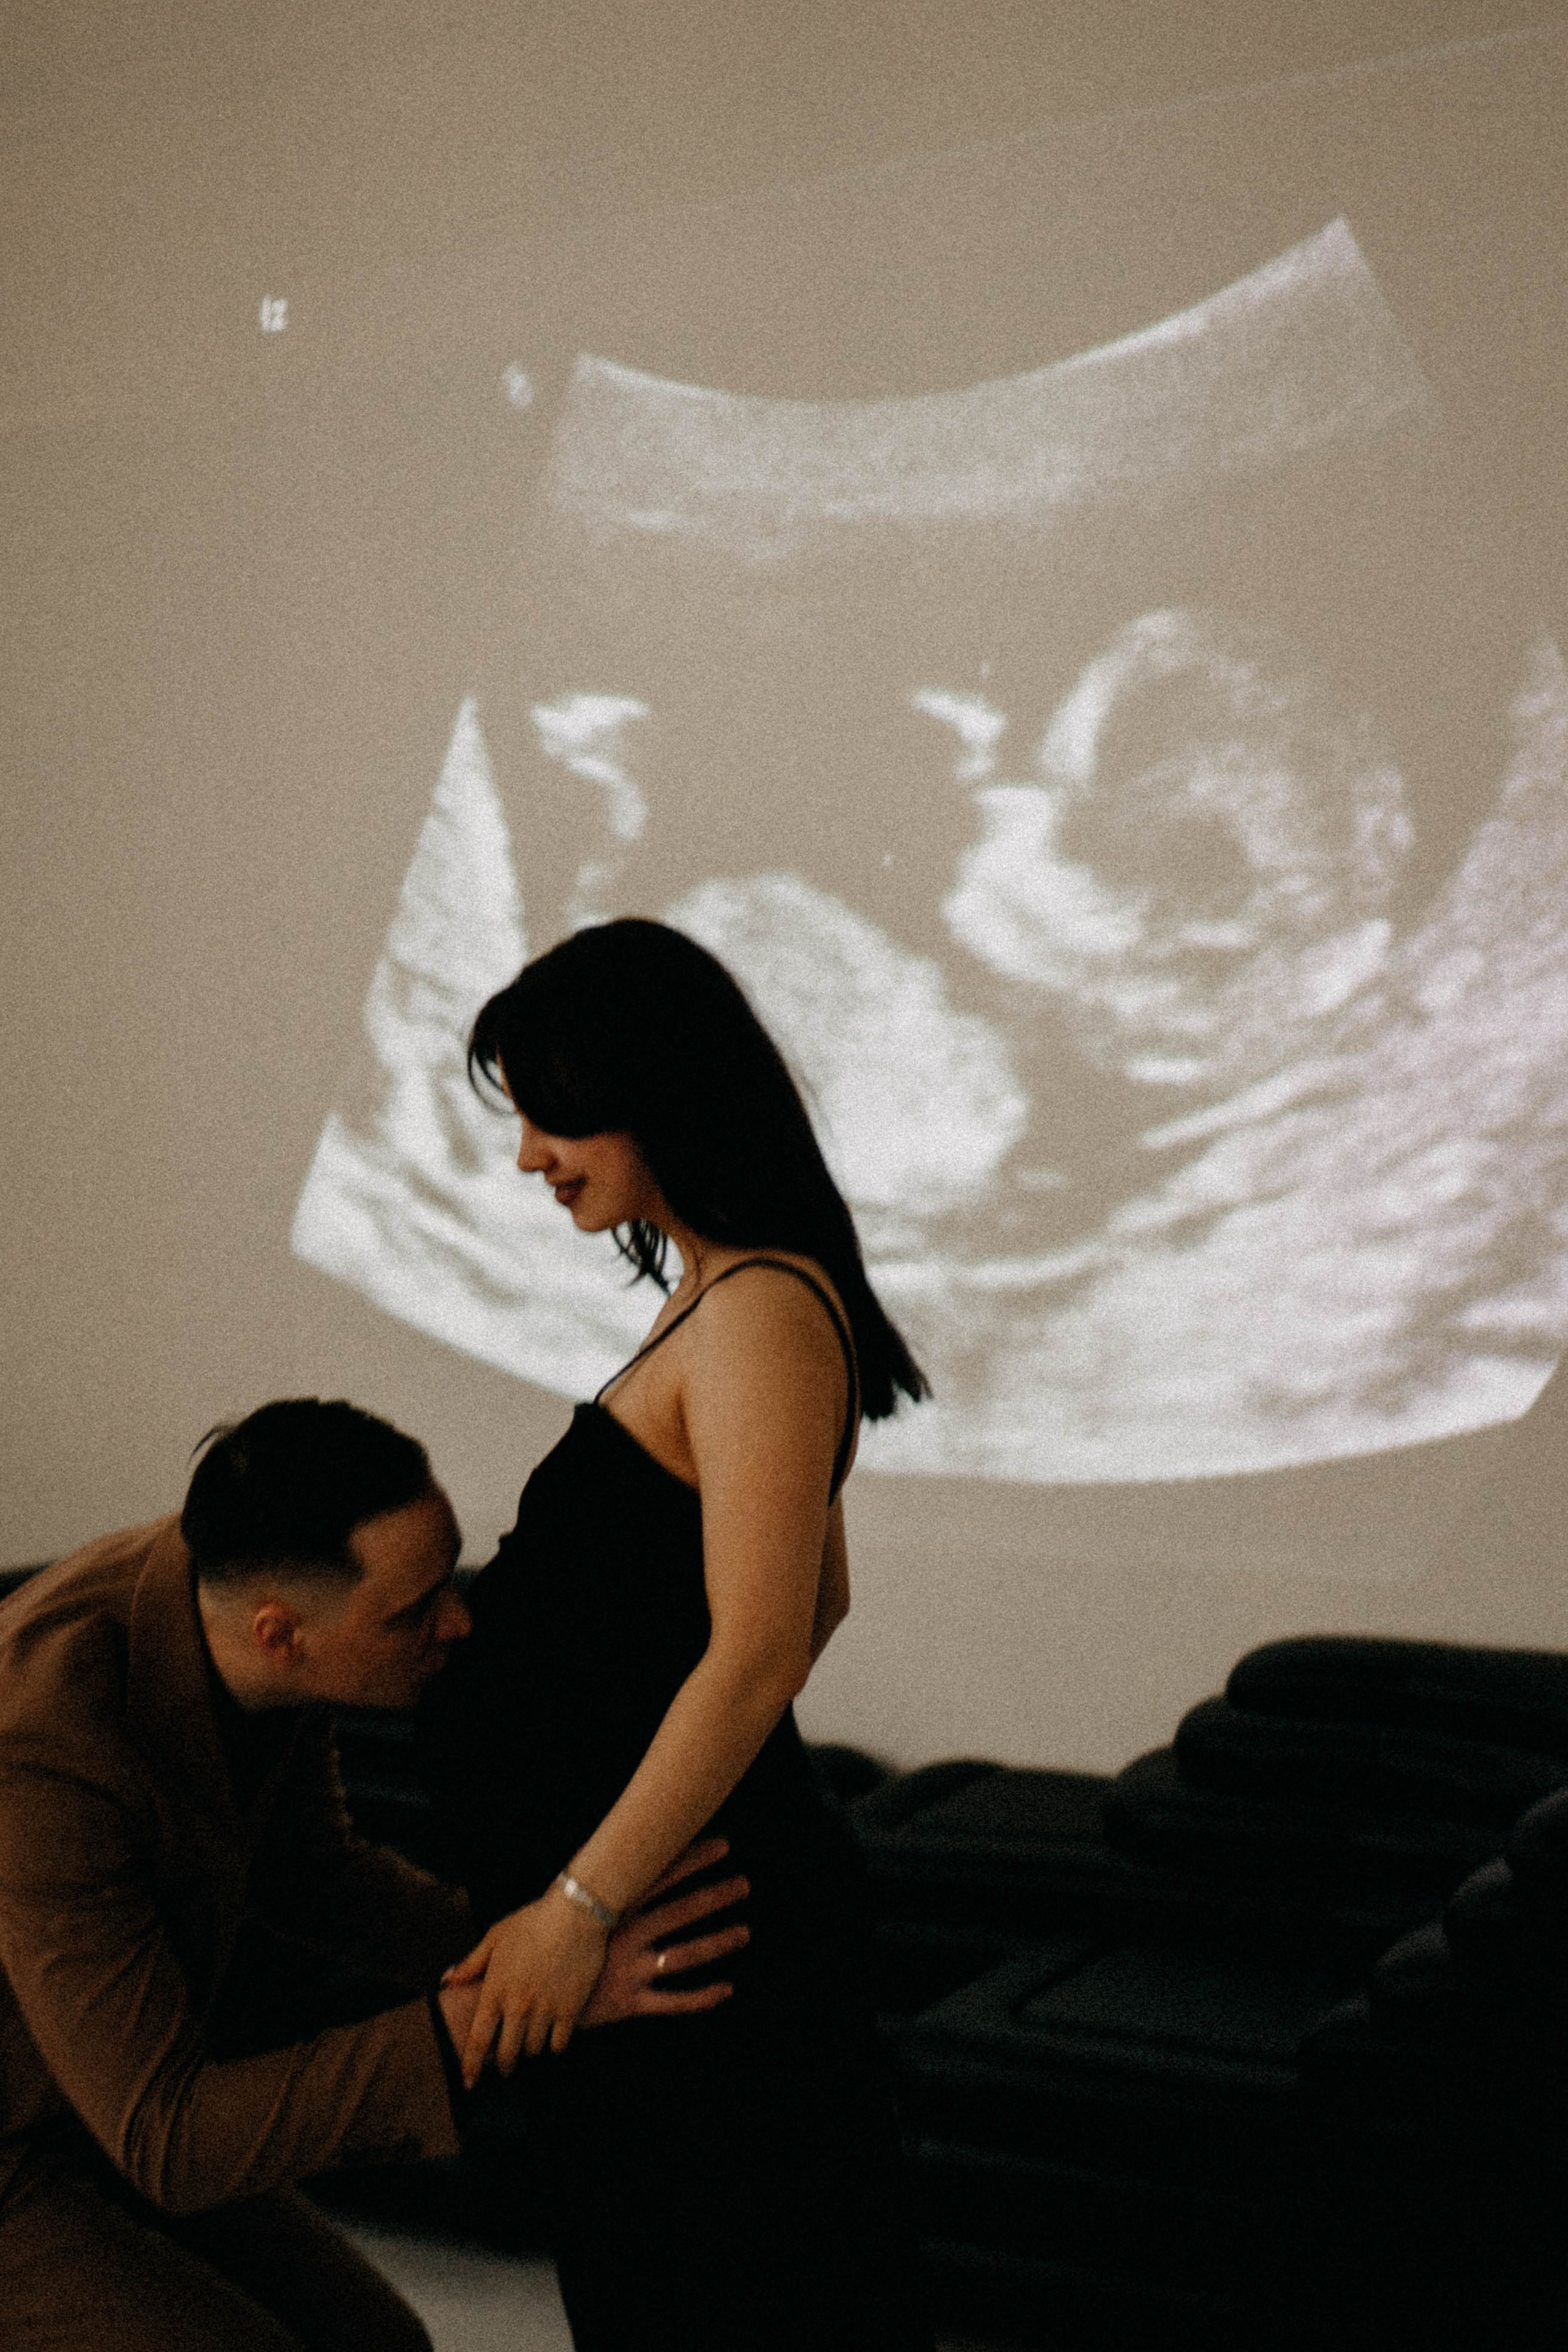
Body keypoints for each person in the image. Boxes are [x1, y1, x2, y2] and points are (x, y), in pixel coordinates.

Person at [418, 916, 937, 2351]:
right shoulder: (724, 1298)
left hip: (691, 1946)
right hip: (675, 1921)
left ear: (653, 1089)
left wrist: (577, 1909)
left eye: (547, 1110)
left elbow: (765, 1647)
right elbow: (810, 1601)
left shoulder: (760, 1309)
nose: (529, 1153)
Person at [0, 1397, 749, 2352]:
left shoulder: (243, 1606)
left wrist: (546, 1944)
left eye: (449, 1581)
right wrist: (492, 2010)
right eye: (413, 1613)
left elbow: (313, 1876)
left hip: (93, 2093)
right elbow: (172, 2139)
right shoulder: (45, 1750)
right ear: (281, 1633)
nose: (460, 1621)